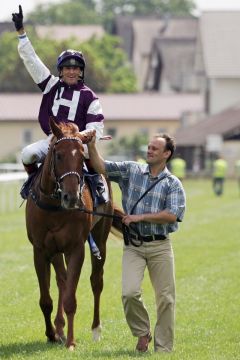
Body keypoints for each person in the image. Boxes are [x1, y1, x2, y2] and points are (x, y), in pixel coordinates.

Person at [87, 132, 186, 353]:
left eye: (155, 148)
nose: (149, 150)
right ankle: (143, 331)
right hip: (134, 246)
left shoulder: (173, 184)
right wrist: (92, 146)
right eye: (149, 147)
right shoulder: (131, 170)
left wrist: (140, 217)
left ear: (167, 154)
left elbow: (172, 215)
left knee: (166, 299)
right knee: (129, 293)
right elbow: (101, 167)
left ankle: (163, 350)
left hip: (160, 246)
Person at [12, 5, 105, 202]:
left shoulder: (90, 97)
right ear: (60, 71)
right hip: (52, 142)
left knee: (89, 158)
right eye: (67, 68)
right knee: (28, 154)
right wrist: (21, 33)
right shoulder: (51, 85)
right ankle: (32, 182)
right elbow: (32, 61)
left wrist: (78, 136)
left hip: (79, 144)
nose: (71, 71)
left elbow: (96, 128)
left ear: (81, 72)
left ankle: (97, 186)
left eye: (76, 68)